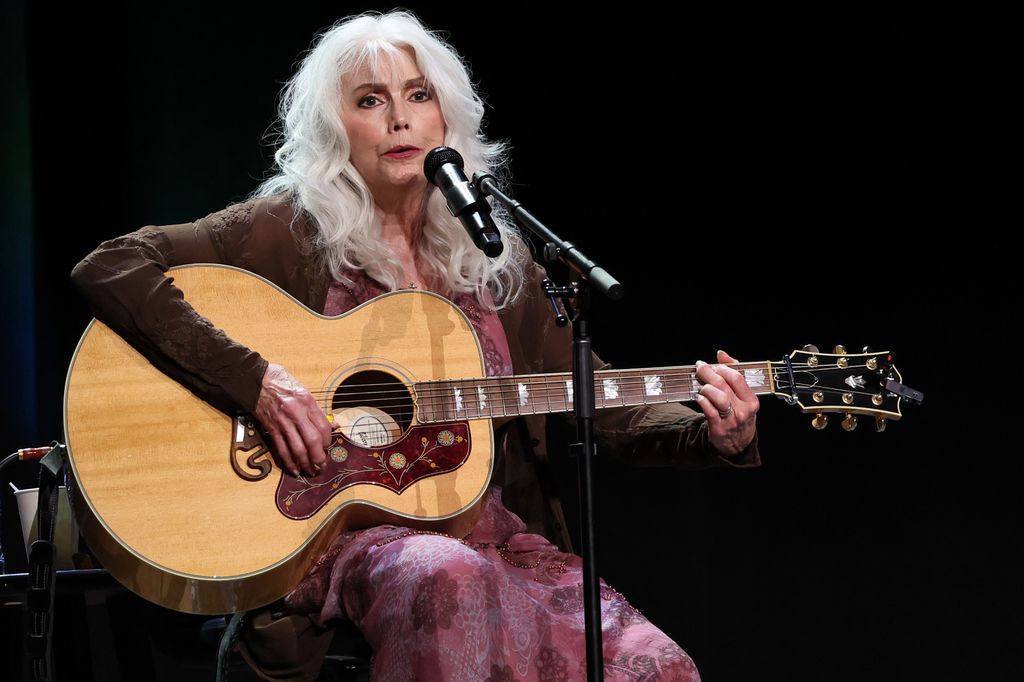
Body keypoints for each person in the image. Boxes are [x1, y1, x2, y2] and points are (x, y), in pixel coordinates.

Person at [71, 10, 759, 681]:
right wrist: (255, 382)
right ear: (334, 127)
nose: (399, 119)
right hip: (344, 544)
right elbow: (109, 267)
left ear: (446, 119)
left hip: (495, 545)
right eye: (370, 100)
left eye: (418, 96)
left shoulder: (497, 263)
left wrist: (714, 434)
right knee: (444, 575)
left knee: (663, 666)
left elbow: (605, 403)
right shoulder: (287, 230)